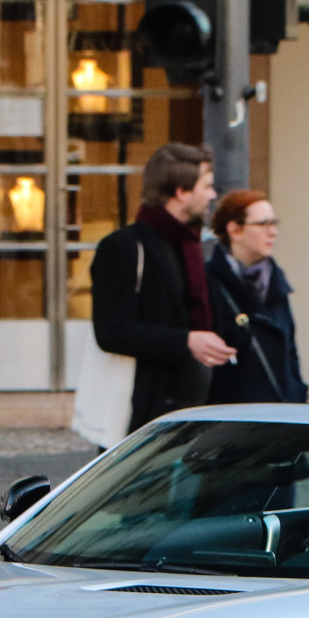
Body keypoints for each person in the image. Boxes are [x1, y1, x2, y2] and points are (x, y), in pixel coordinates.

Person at [91, 142, 234, 432]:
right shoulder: (124, 247)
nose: (212, 195)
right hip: (146, 416)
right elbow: (111, 331)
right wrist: (187, 341)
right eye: (206, 186)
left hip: (196, 412)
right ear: (181, 191)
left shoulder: (193, 246)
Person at [203, 189, 307, 406]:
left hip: (280, 414)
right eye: (263, 224)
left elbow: (290, 352)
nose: (273, 232)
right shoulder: (209, 282)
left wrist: (297, 393)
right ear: (234, 230)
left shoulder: (276, 281)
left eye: (274, 223)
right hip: (235, 417)